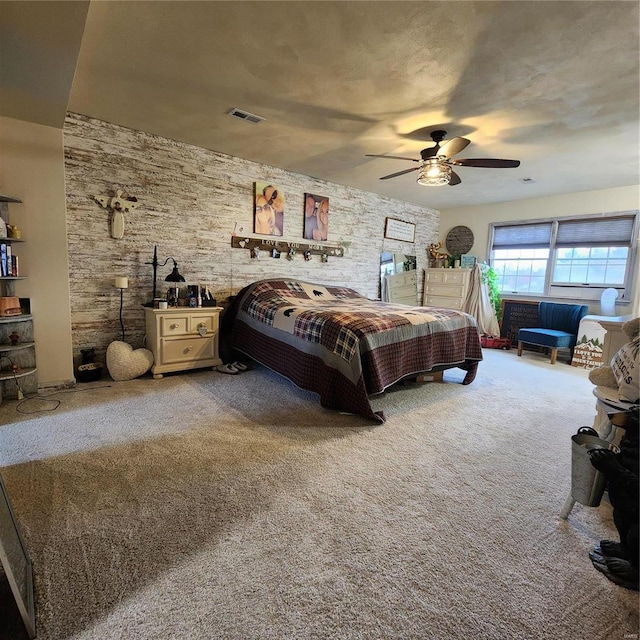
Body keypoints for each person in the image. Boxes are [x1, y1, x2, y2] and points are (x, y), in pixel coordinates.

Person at [588, 409, 639, 591]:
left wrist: (614, 468)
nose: (616, 414)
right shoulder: (633, 443)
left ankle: (636, 569)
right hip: (630, 509)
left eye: (634, 415)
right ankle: (626, 550)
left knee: (636, 533)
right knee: (621, 518)